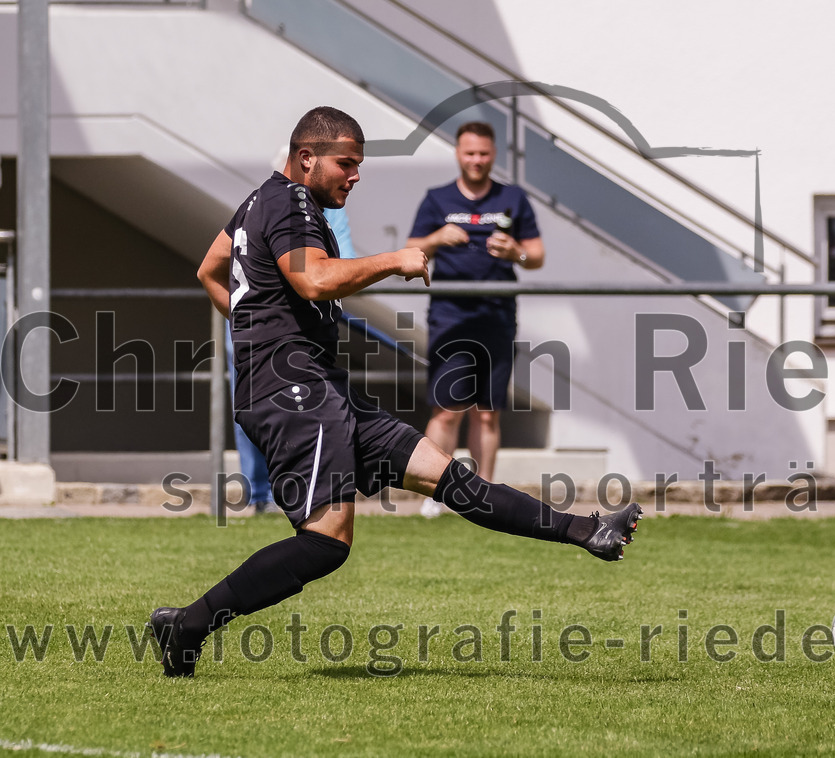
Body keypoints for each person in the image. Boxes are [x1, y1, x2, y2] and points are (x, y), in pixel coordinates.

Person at [148, 106, 642, 678]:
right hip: (291, 392)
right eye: (347, 163)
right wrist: (395, 261)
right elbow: (314, 278)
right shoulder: (290, 201)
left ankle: (589, 531)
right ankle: (186, 626)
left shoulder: (260, 200)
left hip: (323, 388)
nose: (355, 175)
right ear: (307, 157)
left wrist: (253, 324)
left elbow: (211, 269)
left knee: (453, 479)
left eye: (359, 164)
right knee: (326, 542)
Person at [407, 121, 544, 516]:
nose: (477, 160)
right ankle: (434, 496)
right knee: (446, 410)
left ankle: (485, 499)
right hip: (450, 316)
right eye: (470, 153)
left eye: (483, 153)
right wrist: (437, 239)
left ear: (493, 154)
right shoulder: (437, 199)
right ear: (457, 153)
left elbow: (536, 256)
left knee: (487, 412)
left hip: (497, 315)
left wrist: (515, 251)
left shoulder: (513, 198)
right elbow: (411, 249)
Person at [225, 323, 275, 513]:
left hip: (288, 314)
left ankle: (294, 492)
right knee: (248, 412)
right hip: (245, 313)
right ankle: (261, 497)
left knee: (295, 407)